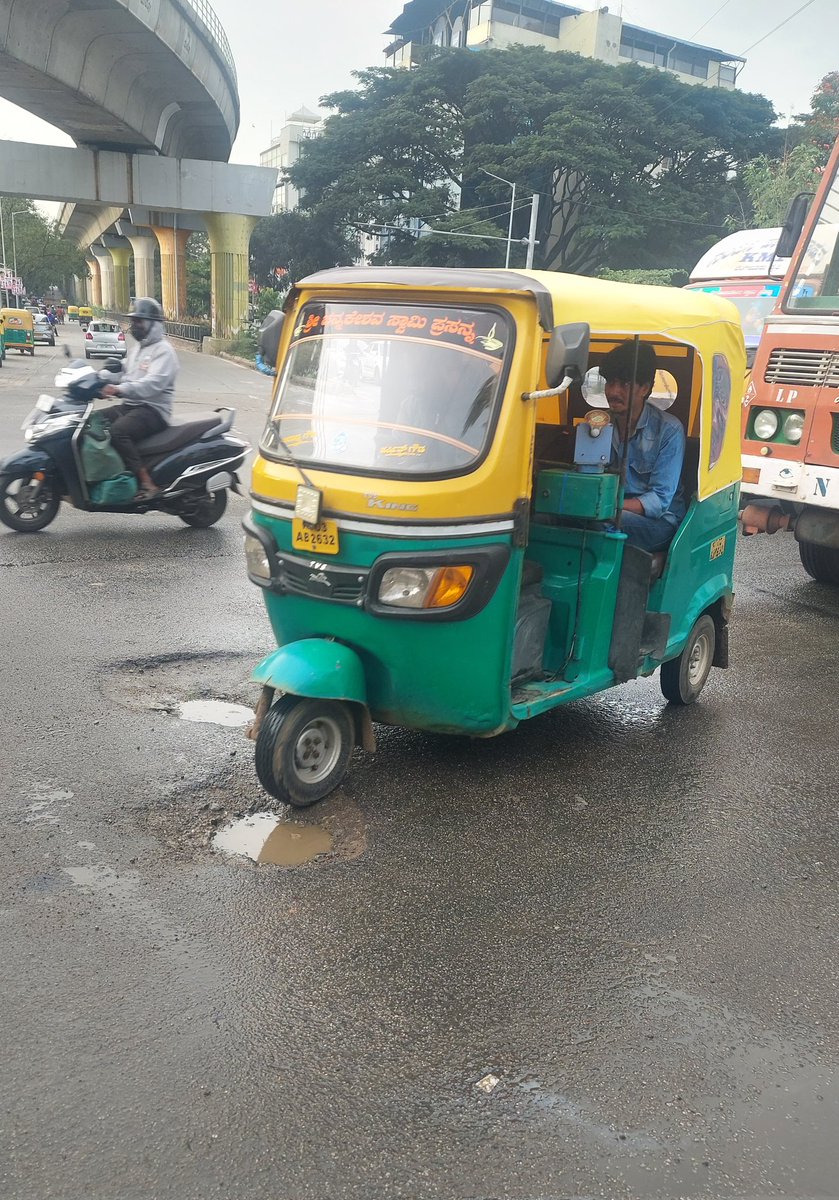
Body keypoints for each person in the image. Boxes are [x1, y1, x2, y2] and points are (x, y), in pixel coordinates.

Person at [601, 340, 686, 553]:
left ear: (645, 388)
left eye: (625, 384)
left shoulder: (668, 430)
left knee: (602, 523)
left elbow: (659, 500)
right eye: (610, 382)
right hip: (607, 511)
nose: (614, 391)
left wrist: (610, 507)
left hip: (659, 523)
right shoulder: (600, 426)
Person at [100, 297, 179, 500]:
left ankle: (146, 483)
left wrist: (119, 389)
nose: (134, 325)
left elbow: (152, 384)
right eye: (133, 321)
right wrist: (98, 379)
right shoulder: (138, 349)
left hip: (153, 410)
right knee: (94, 422)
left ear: (153, 324)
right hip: (133, 406)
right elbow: (124, 371)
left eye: (139, 321)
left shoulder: (164, 351)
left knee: (118, 432)